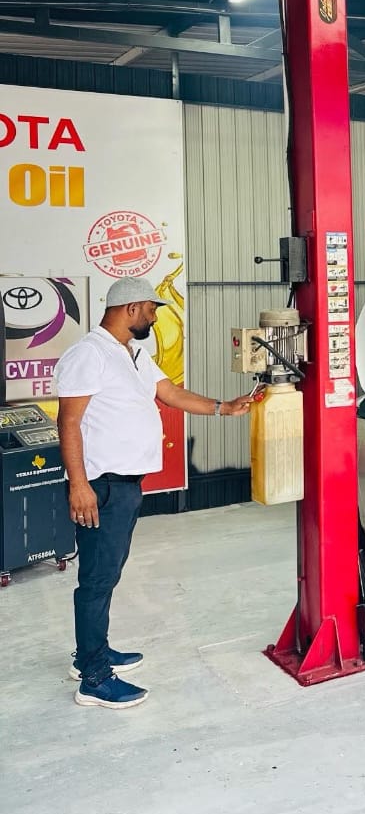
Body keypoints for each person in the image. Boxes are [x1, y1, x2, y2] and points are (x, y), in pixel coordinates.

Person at [54, 276, 255, 711]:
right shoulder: (89, 354)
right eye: (151, 309)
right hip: (101, 486)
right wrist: (79, 485)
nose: (154, 317)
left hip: (125, 486)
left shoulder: (133, 354)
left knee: (107, 574)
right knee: (97, 580)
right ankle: (93, 678)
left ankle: (92, 652)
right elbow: (68, 422)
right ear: (131, 308)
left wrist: (224, 407)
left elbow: (171, 393)